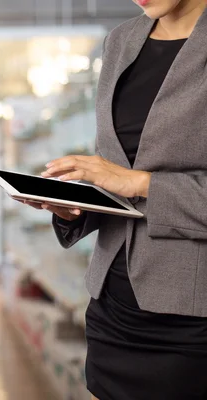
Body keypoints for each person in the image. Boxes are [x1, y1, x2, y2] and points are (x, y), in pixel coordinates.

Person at [23, 0, 207, 399]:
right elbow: (113, 167)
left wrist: (139, 183)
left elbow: (128, 178)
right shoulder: (121, 41)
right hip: (111, 303)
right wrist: (75, 207)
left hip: (191, 318)